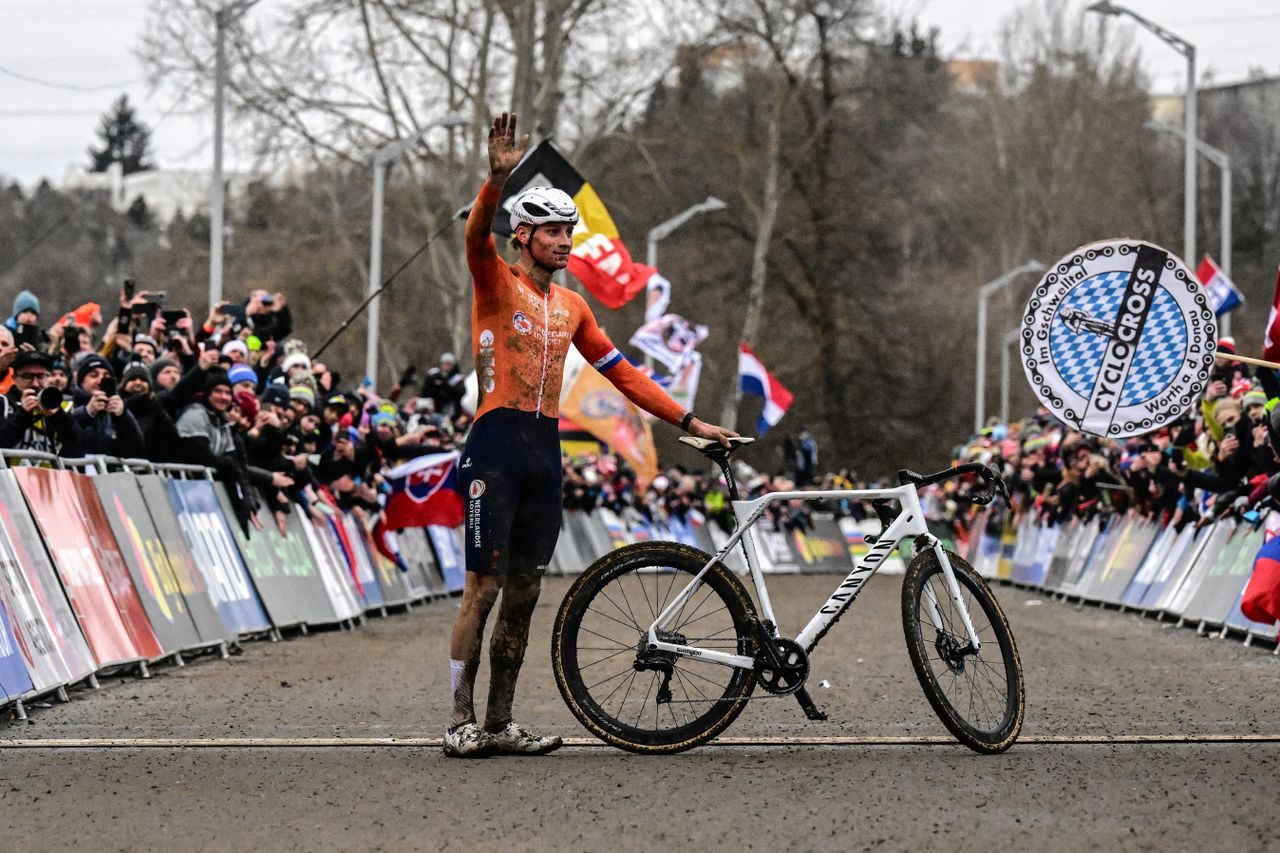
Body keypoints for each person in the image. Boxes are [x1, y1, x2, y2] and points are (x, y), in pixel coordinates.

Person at [442, 112, 738, 758]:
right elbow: (472, 240)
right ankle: (459, 718)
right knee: (482, 588)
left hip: (543, 454)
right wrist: (493, 183)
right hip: (495, 443)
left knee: (523, 593)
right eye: (552, 230)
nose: (564, 240)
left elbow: (624, 373)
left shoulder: (573, 306)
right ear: (523, 235)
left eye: (567, 231)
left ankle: (500, 720)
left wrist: (690, 421)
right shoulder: (497, 281)